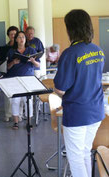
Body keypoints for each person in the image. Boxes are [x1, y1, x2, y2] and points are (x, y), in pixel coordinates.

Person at [53, 9, 105, 177]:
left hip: (77, 113)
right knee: (84, 151)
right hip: (96, 111)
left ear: (71, 29)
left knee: (75, 157)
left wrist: (58, 93)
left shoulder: (70, 54)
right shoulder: (98, 50)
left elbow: (60, 88)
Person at [6, 31, 40, 129]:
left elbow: (38, 65)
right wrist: (13, 62)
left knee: (28, 101)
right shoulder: (11, 51)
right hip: (15, 79)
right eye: (19, 37)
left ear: (25, 39)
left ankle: (29, 122)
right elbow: (7, 67)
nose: (21, 39)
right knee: (15, 101)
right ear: (16, 39)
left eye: (23, 37)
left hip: (28, 79)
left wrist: (33, 61)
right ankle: (16, 122)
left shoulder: (31, 50)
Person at [0, 26, 19, 122]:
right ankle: (8, 115)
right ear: (8, 36)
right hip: (8, 73)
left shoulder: (20, 46)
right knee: (8, 96)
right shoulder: (5, 48)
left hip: (18, 74)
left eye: (15, 34)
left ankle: (18, 115)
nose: (13, 36)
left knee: (18, 97)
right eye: (11, 34)